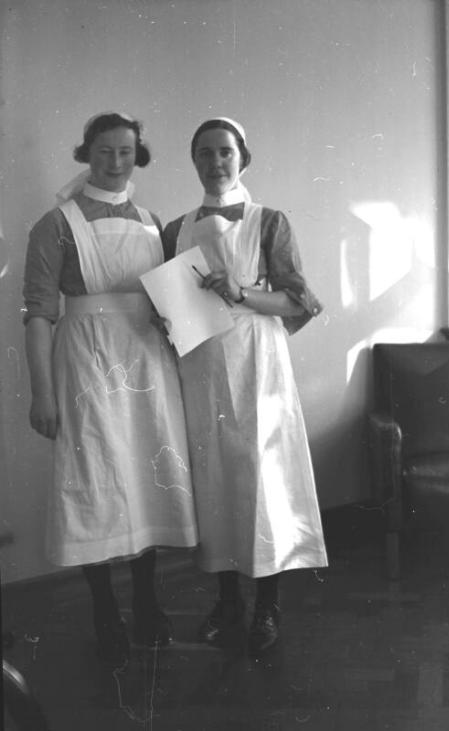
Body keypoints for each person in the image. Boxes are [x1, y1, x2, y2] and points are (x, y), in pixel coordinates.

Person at [23, 112, 198, 666]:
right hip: (87, 362)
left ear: (137, 155)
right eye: (104, 152)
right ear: (87, 153)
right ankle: (105, 609)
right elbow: (38, 315)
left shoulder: (154, 221)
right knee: (96, 478)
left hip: (146, 364)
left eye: (125, 152)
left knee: (147, 478)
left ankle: (146, 602)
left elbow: (175, 306)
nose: (115, 162)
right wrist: (42, 393)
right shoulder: (55, 225)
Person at [162, 117, 328, 655]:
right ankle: (226, 602)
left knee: (262, 477)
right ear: (194, 161)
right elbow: (169, 304)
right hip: (203, 365)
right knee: (215, 479)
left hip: (257, 361)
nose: (216, 163)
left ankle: (268, 607)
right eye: (205, 153)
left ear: (243, 158)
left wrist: (241, 293)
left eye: (226, 153)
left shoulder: (268, 221)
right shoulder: (176, 228)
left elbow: (299, 301)